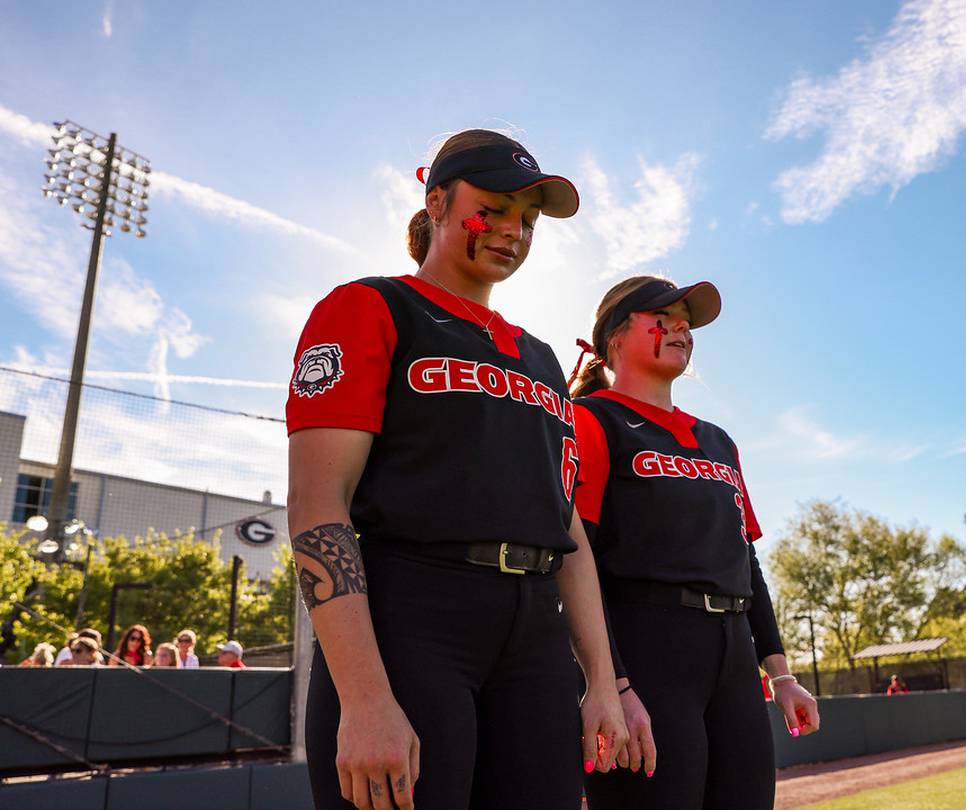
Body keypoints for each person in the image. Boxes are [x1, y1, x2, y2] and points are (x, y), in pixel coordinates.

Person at [287, 129, 626, 810]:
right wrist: (364, 697)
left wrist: (601, 683)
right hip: (411, 619)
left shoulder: (539, 357)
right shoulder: (371, 307)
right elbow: (319, 505)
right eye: (493, 208)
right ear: (437, 202)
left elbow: (570, 534)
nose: (512, 230)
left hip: (533, 636)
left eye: (526, 219)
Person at [570, 275, 820, 810]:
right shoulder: (592, 420)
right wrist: (611, 684)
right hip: (646, 649)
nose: (681, 326)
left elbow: (746, 563)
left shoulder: (718, 440)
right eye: (663, 316)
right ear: (614, 337)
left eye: (686, 320)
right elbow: (575, 559)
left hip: (732, 658)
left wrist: (782, 676)